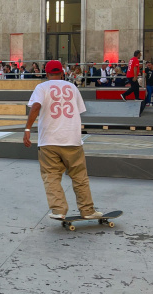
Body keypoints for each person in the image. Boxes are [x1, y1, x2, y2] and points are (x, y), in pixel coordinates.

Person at [22, 60, 102, 220]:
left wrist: (27, 129)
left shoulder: (42, 87)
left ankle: (59, 209)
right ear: (62, 73)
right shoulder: (72, 87)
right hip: (72, 139)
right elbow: (79, 111)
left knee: (51, 175)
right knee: (79, 176)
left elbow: (35, 107)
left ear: (46, 73)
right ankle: (87, 210)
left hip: (49, 141)